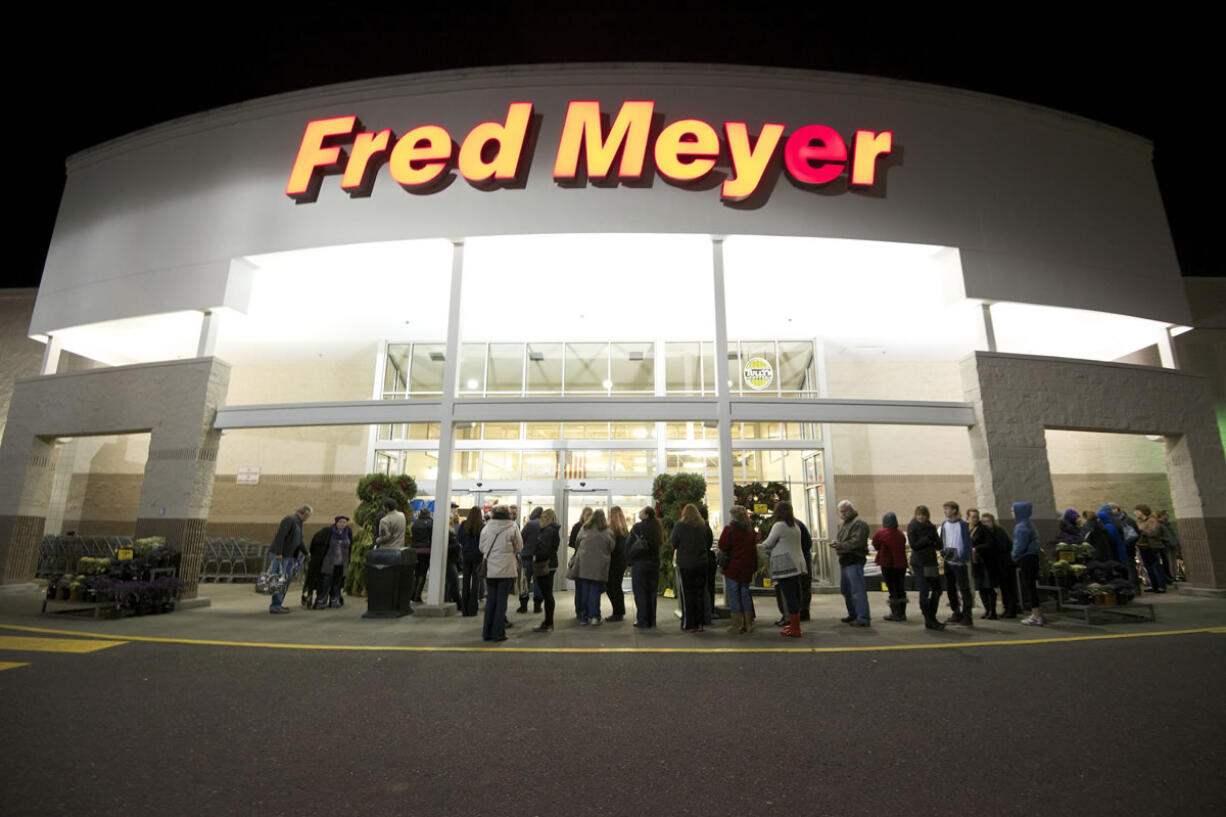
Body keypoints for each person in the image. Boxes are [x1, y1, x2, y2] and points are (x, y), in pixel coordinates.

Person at [479, 504, 522, 642]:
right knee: (501, 602)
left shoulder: (487, 527)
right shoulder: (513, 527)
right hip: (506, 569)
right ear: (508, 514)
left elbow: (481, 547)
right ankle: (498, 633)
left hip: (490, 569)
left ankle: (487, 632)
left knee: (491, 600)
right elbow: (520, 546)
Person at [764, 501, 805, 637]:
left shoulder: (779, 525)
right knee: (793, 596)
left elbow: (769, 543)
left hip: (785, 566)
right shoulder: (795, 526)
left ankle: (795, 628)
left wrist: (759, 545)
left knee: (789, 597)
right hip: (797, 565)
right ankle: (794, 625)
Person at [669, 504, 710, 633]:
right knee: (700, 593)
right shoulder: (703, 526)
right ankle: (700, 623)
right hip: (701, 563)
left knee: (688, 594)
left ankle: (689, 624)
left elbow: (674, 542)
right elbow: (708, 542)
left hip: (686, 564)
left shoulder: (680, 526)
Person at [718, 504, 758, 634]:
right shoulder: (750, 531)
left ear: (734, 516)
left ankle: (737, 625)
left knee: (734, 595)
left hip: (733, 568)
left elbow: (722, 545)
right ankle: (748, 624)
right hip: (746, 567)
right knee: (745, 594)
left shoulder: (729, 529)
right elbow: (754, 550)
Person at [832, 499, 871, 627]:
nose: (843, 514)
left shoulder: (859, 524)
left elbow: (856, 542)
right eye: (841, 512)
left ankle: (863, 618)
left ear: (851, 509)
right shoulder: (845, 524)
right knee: (846, 590)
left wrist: (840, 545)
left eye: (845, 511)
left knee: (857, 590)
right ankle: (853, 614)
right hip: (845, 560)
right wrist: (838, 544)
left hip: (854, 560)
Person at [267, 505, 311, 613]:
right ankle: (275, 606)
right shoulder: (289, 519)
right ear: (304, 513)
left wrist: (306, 553)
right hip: (282, 555)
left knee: (285, 580)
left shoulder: (298, 523)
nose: (308, 518)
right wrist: (279, 553)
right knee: (279, 580)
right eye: (308, 516)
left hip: (289, 556)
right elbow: (280, 536)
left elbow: (300, 540)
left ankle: (278, 604)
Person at [575, 509, 615, 626]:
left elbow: (577, 543)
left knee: (584, 591)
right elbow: (612, 546)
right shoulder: (607, 531)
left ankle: (583, 617)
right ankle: (595, 617)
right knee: (594, 592)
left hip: (584, 565)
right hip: (599, 566)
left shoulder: (584, 529)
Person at [907, 506, 944, 629]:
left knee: (937, 590)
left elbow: (939, 544)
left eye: (923, 514)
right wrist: (928, 540)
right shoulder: (912, 526)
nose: (921, 517)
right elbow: (914, 545)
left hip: (931, 562)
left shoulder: (931, 527)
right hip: (919, 563)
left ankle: (932, 616)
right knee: (924, 591)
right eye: (919, 514)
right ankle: (929, 619)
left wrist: (931, 541)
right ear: (915, 515)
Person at [939, 500, 973, 626]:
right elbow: (942, 540)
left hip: (959, 562)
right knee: (950, 588)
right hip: (948, 560)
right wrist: (943, 553)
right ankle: (956, 612)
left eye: (947, 509)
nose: (945, 511)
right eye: (945, 509)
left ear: (954, 510)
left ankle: (967, 615)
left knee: (964, 589)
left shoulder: (963, 525)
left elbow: (967, 543)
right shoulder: (944, 524)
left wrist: (963, 559)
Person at [628, 506, 663, 628]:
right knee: (652, 592)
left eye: (641, 511)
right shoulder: (657, 527)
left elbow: (628, 544)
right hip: (654, 563)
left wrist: (629, 560)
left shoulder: (637, 527)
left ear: (647, 514)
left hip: (640, 563)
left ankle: (642, 620)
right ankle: (652, 620)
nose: (639, 512)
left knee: (640, 592)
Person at [1011, 501, 1044, 626]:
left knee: (1030, 588)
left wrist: (1013, 556)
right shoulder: (1029, 524)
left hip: (1026, 559)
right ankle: (1037, 614)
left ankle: (1036, 616)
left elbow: (1020, 545)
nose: (1012, 513)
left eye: (1013, 511)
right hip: (1032, 557)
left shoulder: (1021, 527)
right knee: (1032, 587)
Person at [872, 511, 907, 622]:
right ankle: (902, 613)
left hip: (887, 564)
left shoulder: (880, 533)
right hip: (901, 565)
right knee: (900, 588)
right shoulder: (901, 534)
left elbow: (875, 544)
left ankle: (895, 613)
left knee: (892, 589)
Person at [531, 509, 562, 632]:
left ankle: (548, 623)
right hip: (550, 564)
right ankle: (548, 622)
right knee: (548, 594)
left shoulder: (548, 531)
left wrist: (535, 556)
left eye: (542, 517)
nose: (540, 520)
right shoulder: (552, 530)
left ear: (547, 518)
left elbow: (544, 549)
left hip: (545, 565)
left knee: (547, 595)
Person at [983, 513, 1018, 618]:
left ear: (992, 521)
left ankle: (1011, 610)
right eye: (983, 522)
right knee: (1003, 588)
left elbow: (1002, 547)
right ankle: (1007, 608)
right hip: (999, 564)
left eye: (988, 522)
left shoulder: (998, 532)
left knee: (1008, 587)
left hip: (1005, 564)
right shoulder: (990, 533)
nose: (986, 524)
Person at [313, 515, 352, 608]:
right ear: (336, 523)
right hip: (329, 561)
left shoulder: (348, 532)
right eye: (340, 522)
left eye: (344, 522)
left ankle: (334, 600)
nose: (342, 524)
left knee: (337, 582)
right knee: (326, 581)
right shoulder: (330, 532)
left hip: (341, 562)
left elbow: (350, 546)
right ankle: (322, 600)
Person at [968, 508, 998, 620]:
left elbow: (990, 544)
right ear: (968, 518)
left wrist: (976, 548)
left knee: (988, 586)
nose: (975, 519)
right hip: (976, 563)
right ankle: (987, 610)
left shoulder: (983, 529)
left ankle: (993, 611)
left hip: (984, 561)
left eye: (976, 516)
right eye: (972, 517)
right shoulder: (969, 530)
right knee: (981, 587)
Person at [1134, 504, 1167, 593]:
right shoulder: (1138, 521)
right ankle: (1154, 585)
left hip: (1152, 546)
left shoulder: (1152, 520)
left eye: (1137, 511)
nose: (1136, 513)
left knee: (1156, 566)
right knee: (1148, 567)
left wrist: (1143, 532)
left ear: (1142, 512)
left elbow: (1154, 532)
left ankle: (1161, 586)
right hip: (1142, 546)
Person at [457, 507, 484, 617]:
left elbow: (459, 539)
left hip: (466, 555)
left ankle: (465, 609)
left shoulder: (464, 525)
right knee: (476, 582)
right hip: (478, 556)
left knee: (466, 582)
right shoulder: (482, 526)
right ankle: (473, 609)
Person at [518, 506, 544, 613]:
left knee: (525, 581)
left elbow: (521, 538)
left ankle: (523, 605)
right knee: (538, 582)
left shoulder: (529, 524)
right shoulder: (543, 524)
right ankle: (537, 606)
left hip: (527, 557)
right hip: (539, 557)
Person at [606, 506, 630, 622]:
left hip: (615, 561)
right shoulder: (624, 529)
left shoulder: (614, 530)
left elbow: (612, 547)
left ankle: (618, 612)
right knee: (615, 586)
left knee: (612, 587)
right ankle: (619, 611)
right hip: (621, 561)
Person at [569, 507, 593, 618]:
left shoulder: (594, 527)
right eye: (587, 514)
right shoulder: (578, 526)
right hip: (580, 560)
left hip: (589, 560)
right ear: (583, 515)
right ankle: (580, 611)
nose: (588, 516)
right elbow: (572, 542)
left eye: (590, 514)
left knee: (588, 588)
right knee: (580, 588)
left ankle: (587, 611)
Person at [409, 508, 433, 603]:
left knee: (416, 573)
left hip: (415, 550)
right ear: (428, 514)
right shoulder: (430, 523)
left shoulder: (415, 523)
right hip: (426, 550)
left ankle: (412, 594)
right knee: (422, 574)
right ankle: (417, 596)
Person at [1156, 509, 1184, 582]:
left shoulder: (1168, 524)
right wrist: (1166, 540)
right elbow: (1160, 536)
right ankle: (1171, 576)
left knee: (1174, 561)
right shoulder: (1159, 525)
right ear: (1161, 516)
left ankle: (1175, 575)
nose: (1167, 516)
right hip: (1167, 545)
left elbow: (1172, 534)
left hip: (1173, 545)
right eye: (1165, 515)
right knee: (1169, 562)